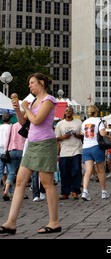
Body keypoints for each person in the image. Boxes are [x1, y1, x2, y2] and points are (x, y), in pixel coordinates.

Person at [0, 73, 61, 235]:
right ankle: (11, 222)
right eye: (29, 83)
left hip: (45, 144)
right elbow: (23, 122)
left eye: (32, 83)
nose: (30, 86)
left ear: (41, 83)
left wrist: (26, 108)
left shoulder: (49, 100)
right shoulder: (34, 101)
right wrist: (18, 110)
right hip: (32, 144)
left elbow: (37, 120)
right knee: (19, 182)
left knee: (47, 184)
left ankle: (54, 222)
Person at [81, 105, 109, 201]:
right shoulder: (98, 121)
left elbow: (83, 134)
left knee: (88, 170)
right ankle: (103, 192)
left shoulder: (84, 122)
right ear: (96, 112)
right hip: (96, 146)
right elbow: (102, 134)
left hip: (86, 147)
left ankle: (85, 191)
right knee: (100, 170)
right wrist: (104, 128)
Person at [55, 106, 83, 200]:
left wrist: (76, 135)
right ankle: (65, 192)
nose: (68, 112)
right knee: (64, 172)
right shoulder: (60, 124)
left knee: (76, 170)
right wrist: (64, 137)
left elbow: (83, 135)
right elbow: (56, 138)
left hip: (76, 149)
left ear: (73, 112)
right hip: (64, 151)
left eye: (70, 110)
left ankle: (75, 191)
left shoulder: (78, 122)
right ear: (64, 112)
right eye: (66, 110)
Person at [2, 97, 26, 201]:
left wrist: (6, 150)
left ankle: (6, 190)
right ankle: (21, 193)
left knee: (11, 172)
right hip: (22, 151)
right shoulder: (24, 126)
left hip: (11, 151)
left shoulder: (12, 126)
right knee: (22, 173)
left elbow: (8, 140)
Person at [0, 113, 12, 190]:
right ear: (10, 120)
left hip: (0, 149)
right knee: (10, 171)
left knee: (0, 171)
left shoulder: (0, 127)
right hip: (9, 150)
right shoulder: (11, 127)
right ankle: (9, 190)